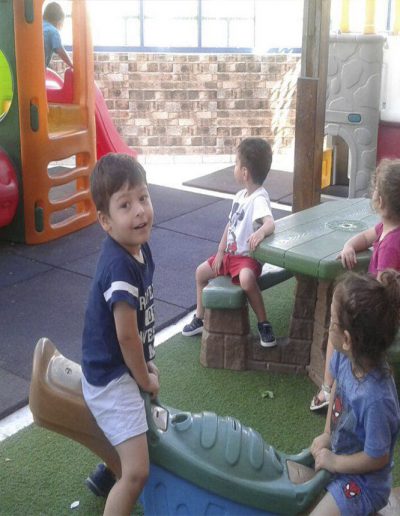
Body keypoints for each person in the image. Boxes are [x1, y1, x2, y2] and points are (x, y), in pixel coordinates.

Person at [81, 153, 160, 515]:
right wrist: (144, 377)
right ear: (106, 222)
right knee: (137, 473)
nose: (139, 211)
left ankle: (105, 471)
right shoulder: (119, 267)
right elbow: (126, 337)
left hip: (123, 365)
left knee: (146, 424)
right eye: (125, 205)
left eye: (143, 198)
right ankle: (117, 480)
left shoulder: (137, 249)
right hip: (112, 377)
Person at [310, 158, 400, 411]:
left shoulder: (393, 244)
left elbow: (383, 293)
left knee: (338, 324)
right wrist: (350, 245)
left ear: (380, 201)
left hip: (381, 311)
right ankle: (339, 382)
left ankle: (329, 388)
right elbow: (365, 236)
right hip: (378, 303)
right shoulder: (386, 228)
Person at [310, 271, 400, 515]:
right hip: (340, 458)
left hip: (364, 484)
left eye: (331, 321)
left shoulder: (376, 398)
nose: (328, 328)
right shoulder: (343, 357)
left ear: (347, 339)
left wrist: (335, 462)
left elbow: (377, 458)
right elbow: (337, 389)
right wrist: (327, 434)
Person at [182, 137, 276, 347]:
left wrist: (260, 233)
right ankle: (199, 317)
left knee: (246, 280)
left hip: (245, 259)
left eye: (236, 163)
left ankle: (264, 323)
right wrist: (221, 251)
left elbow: (270, 223)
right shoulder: (240, 196)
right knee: (200, 273)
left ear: (245, 173)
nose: (234, 167)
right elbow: (230, 225)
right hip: (230, 256)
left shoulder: (259, 198)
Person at [43, 2, 73, 68]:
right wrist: (72, 65)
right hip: (39, 68)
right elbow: (61, 51)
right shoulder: (53, 31)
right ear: (59, 22)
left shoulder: (39, 25)